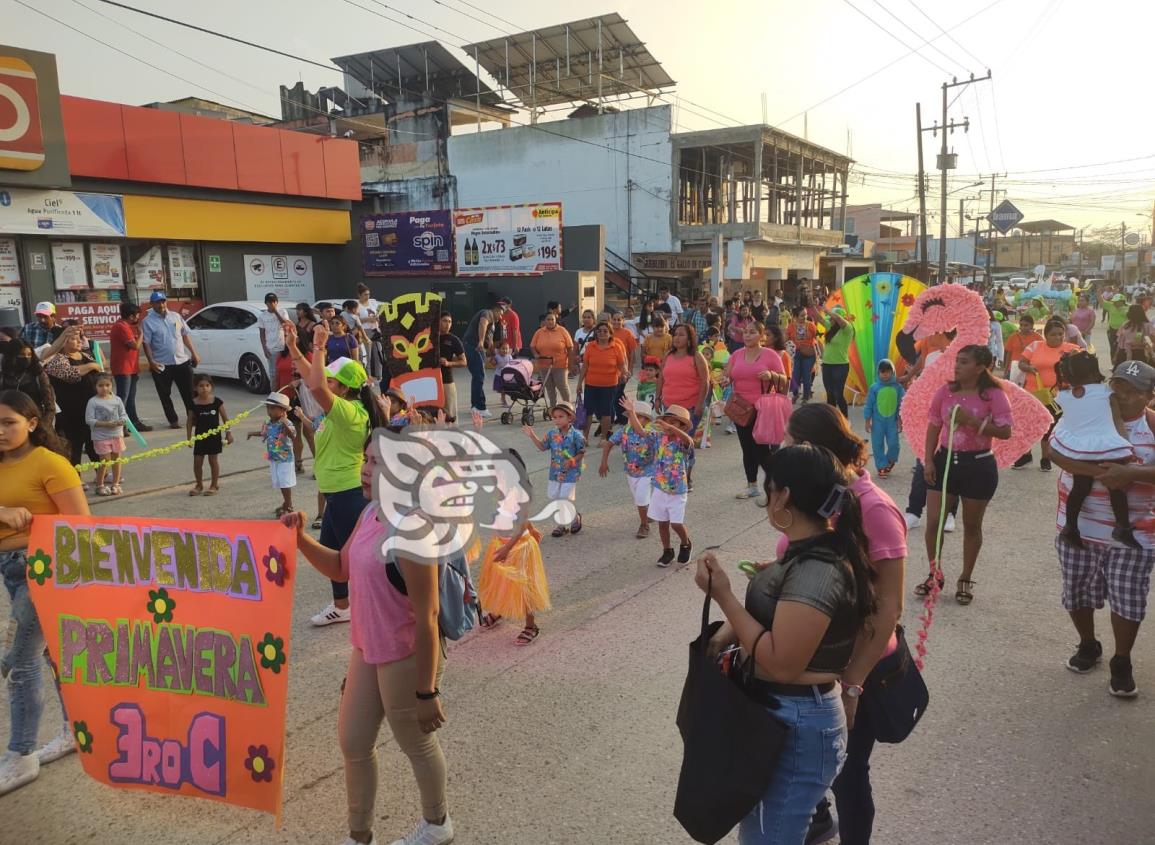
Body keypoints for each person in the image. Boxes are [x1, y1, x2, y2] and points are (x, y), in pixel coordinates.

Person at [694, 443, 878, 845]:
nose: (765, 497)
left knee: (768, 838)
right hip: (784, 713)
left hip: (798, 720)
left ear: (785, 496)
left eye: (768, 487)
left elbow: (781, 663)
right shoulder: (811, 552)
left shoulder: (816, 571)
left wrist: (724, 595)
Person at [281, 442, 454, 845]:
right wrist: (300, 538)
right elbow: (340, 567)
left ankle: (437, 824)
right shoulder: (371, 513)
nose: (364, 467)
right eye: (365, 458)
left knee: (416, 742)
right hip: (367, 649)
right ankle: (359, 837)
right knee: (354, 742)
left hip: (408, 654)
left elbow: (428, 617)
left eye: (377, 462)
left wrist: (427, 691)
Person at [781, 405, 906, 845]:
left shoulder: (874, 509)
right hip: (811, 660)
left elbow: (889, 606)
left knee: (849, 775)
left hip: (856, 668)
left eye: (790, 442)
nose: (781, 450)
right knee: (809, 760)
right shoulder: (814, 495)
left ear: (814, 449)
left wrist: (852, 684)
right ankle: (818, 818)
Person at [1043, 360, 1155, 697]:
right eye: (1118, 385)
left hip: (1135, 533)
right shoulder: (1088, 409)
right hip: (1077, 527)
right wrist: (1098, 474)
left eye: (1132, 391)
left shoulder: (1152, 425)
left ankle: (1122, 661)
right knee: (1076, 592)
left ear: (1149, 395)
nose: (1121, 395)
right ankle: (1088, 644)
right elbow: (1052, 448)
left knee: (1127, 600)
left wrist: (1131, 474)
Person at [0, 390, 90, 795]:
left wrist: (32, 521)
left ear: (33, 423)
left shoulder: (51, 464)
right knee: (53, 655)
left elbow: (80, 525)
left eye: (9, 423)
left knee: (22, 664)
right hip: (10, 571)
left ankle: (21, 756)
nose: (0, 432)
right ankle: (76, 729)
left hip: (42, 569)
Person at [289, 322, 384, 626]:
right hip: (335, 494)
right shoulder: (343, 405)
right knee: (332, 552)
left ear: (343, 388)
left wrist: (319, 346)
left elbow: (315, 386)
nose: (324, 383)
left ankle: (377, 611)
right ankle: (342, 607)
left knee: (355, 561)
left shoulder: (351, 412)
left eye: (332, 380)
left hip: (348, 495)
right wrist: (293, 346)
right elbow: (313, 379)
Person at [919, 345, 1013, 605]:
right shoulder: (945, 392)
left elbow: (1006, 432)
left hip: (979, 465)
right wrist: (928, 460)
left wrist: (973, 422)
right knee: (934, 522)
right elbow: (933, 426)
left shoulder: (993, 395)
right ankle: (934, 573)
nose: (957, 366)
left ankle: (965, 577)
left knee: (972, 526)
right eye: (956, 361)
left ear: (980, 366)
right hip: (945, 461)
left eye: (964, 362)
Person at [1050, 351, 1137, 548]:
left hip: (1078, 447)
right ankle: (1122, 527)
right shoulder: (1106, 392)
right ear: (1092, 373)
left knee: (1081, 487)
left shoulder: (1065, 396)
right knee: (1115, 485)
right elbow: (1117, 420)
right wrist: (1125, 443)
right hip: (1106, 444)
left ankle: (1070, 528)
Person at [476, 453, 550, 646]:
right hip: (500, 543)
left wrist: (509, 548)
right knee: (499, 581)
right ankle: (498, 611)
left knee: (522, 588)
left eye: (496, 469)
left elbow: (521, 523)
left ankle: (531, 625)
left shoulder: (519, 493)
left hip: (518, 547)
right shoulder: (496, 489)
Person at [623, 399, 695, 567]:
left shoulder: (681, 441)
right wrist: (632, 412)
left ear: (682, 427)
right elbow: (640, 431)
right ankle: (667, 551)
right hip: (659, 489)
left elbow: (689, 443)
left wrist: (674, 430)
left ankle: (685, 543)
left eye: (673, 422)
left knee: (676, 524)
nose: (668, 425)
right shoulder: (657, 438)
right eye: (666, 422)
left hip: (677, 490)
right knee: (663, 523)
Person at [723, 321, 788, 501]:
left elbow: (784, 380)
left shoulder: (770, 355)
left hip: (762, 408)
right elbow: (728, 374)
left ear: (761, 336)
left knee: (760, 449)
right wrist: (725, 380)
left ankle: (777, 483)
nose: (747, 335)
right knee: (746, 448)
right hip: (741, 408)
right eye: (745, 332)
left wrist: (771, 375)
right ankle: (752, 485)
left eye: (752, 332)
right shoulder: (736, 354)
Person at [1015, 317, 1081, 471]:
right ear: (1046, 335)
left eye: (1060, 334)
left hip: (1056, 397)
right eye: (1053, 334)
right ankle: (1026, 455)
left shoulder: (1071, 348)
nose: (1057, 337)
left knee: (1049, 428)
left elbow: (1085, 363)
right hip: (1033, 394)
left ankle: (1046, 458)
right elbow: (1021, 363)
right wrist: (1029, 368)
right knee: (1028, 425)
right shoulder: (1035, 346)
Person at [42, 330, 101, 482]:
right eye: (74, 339)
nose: (79, 341)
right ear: (63, 343)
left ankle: (101, 474)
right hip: (70, 410)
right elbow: (69, 374)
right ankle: (75, 477)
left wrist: (93, 363)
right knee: (73, 444)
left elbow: (101, 368)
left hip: (91, 408)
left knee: (94, 443)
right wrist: (90, 366)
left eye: (80, 338)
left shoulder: (86, 356)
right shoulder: (57, 359)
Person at [522, 401, 585, 537]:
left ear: (570, 418)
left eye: (560, 416)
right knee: (555, 498)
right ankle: (573, 517)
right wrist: (532, 436)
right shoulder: (551, 434)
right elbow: (542, 447)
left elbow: (581, 452)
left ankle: (561, 524)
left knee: (564, 498)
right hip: (555, 472)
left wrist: (572, 460)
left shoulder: (577, 436)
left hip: (571, 473)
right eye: (554, 417)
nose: (556, 419)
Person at [140, 291, 200, 430]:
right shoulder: (147, 322)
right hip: (162, 364)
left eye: (163, 301)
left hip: (181, 361)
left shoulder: (176, 317)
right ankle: (173, 420)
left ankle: (194, 418)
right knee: (165, 395)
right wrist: (151, 361)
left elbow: (184, 336)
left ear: (166, 302)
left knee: (190, 392)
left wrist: (194, 353)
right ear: (152, 304)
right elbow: (146, 343)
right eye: (157, 302)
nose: (161, 304)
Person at [599, 400, 658, 538]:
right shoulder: (624, 431)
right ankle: (648, 513)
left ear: (647, 420)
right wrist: (604, 462)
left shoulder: (651, 432)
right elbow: (609, 444)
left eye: (638, 416)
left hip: (647, 471)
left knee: (641, 498)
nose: (633, 419)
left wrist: (631, 412)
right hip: (631, 472)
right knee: (639, 498)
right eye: (631, 416)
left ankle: (644, 525)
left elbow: (640, 431)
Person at [576, 321, 628, 443]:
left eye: (605, 331)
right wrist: (579, 384)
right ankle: (585, 438)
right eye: (599, 331)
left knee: (606, 412)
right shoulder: (590, 346)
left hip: (609, 385)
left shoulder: (616, 347)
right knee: (588, 412)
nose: (602, 333)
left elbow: (621, 365)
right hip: (591, 384)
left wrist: (625, 373)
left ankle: (604, 438)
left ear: (610, 333)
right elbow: (585, 367)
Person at [247, 392, 296, 517]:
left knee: (285, 483)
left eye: (273, 408)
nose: (269, 411)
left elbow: (293, 435)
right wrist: (253, 433)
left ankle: (288, 505)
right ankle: (286, 503)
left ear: (283, 410)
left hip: (285, 458)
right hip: (274, 457)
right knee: (279, 482)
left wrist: (285, 422)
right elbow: (264, 433)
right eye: (268, 407)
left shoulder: (286, 423)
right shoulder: (268, 423)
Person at [108, 302, 152, 432]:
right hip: (123, 368)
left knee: (130, 398)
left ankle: (133, 422)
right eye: (137, 315)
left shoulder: (124, 326)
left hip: (130, 367)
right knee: (123, 398)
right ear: (132, 316)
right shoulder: (121, 326)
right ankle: (120, 426)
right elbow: (135, 346)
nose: (138, 318)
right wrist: (141, 334)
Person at [187, 373, 233, 496]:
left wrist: (228, 433)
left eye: (207, 385)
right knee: (197, 461)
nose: (204, 388)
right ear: (195, 388)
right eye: (201, 386)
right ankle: (199, 485)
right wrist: (189, 437)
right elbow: (190, 420)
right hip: (200, 437)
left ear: (211, 386)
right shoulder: (193, 403)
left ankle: (214, 484)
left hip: (214, 436)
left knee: (213, 461)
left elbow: (225, 419)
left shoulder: (216, 402)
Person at [85, 372, 127, 496]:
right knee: (104, 461)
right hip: (101, 437)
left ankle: (115, 484)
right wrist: (105, 424)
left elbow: (124, 415)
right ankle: (100, 485)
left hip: (116, 435)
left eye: (107, 385)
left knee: (117, 459)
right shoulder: (93, 402)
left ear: (111, 385)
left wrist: (121, 421)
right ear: (95, 387)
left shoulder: (117, 400)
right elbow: (89, 420)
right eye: (101, 385)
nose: (104, 388)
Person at [864, 359, 905, 478]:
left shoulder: (898, 388)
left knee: (894, 444)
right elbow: (869, 405)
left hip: (892, 422)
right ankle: (881, 466)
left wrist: (900, 420)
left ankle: (890, 460)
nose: (885, 374)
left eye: (888, 371)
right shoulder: (874, 388)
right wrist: (867, 420)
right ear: (878, 373)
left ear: (893, 372)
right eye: (882, 372)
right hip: (877, 422)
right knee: (877, 444)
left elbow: (901, 405)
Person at [0, 340, 54, 427]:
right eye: (21, 355)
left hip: (34, 424)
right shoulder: (3, 376)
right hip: (8, 424)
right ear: (12, 356)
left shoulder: (38, 374)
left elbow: (50, 407)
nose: (26, 358)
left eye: (29, 355)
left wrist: (43, 427)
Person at [530, 312, 573, 409]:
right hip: (544, 366)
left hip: (560, 365)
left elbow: (570, 347)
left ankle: (568, 407)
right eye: (548, 320)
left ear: (555, 320)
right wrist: (536, 354)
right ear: (544, 321)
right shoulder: (539, 332)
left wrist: (570, 363)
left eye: (552, 319)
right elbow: (532, 346)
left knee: (562, 387)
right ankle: (553, 409)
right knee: (550, 389)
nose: (550, 322)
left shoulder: (562, 331)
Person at [461, 307, 496, 418]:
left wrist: (493, 355)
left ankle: (475, 406)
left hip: (477, 348)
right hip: (474, 346)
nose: (501, 316)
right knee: (479, 375)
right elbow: (482, 323)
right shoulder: (488, 313)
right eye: (501, 312)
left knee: (477, 376)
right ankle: (480, 407)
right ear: (496, 310)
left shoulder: (494, 322)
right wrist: (480, 341)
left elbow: (490, 341)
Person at [820, 305, 854, 416]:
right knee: (830, 394)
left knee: (838, 394)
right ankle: (832, 419)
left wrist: (828, 311)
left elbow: (839, 319)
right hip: (826, 365)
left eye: (832, 317)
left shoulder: (847, 329)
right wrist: (812, 306)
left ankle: (845, 419)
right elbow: (818, 318)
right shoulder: (830, 327)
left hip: (840, 366)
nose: (830, 319)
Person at [436, 313, 466, 423]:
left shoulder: (454, 340)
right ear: (438, 321)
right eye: (444, 321)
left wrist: (449, 363)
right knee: (433, 412)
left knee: (450, 413)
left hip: (447, 381)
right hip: (430, 382)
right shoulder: (428, 337)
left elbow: (464, 362)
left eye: (450, 321)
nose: (447, 324)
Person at [789, 306, 821, 404]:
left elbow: (817, 339)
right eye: (802, 315)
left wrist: (819, 351)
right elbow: (785, 338)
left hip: (809, 353)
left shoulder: (811, 325)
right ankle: (795, 394)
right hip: (797, 354)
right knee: (795, 375)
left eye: (806, 314)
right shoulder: (791, 326)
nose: (805, 317)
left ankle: (806, 397)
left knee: (807, 376)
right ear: (795, 317)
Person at [257, 293, 291, 381]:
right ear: (266, 303)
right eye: (269, 302)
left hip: (283, 347)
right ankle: (274, 392)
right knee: (273, 372)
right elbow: (262, 333)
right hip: (271, 348)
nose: (272, 304)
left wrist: (276, 311)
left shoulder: (282, 312)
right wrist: (264, 349)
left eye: (273, 302)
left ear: (277, 302)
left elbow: (285, 323)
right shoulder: (262, 316)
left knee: (284, 370)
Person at [1002, 314, 1043, 382]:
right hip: (1013, 369)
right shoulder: (1013, 337)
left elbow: (1042, 353)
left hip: (1030, 369)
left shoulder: (1038, 337)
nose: (1023, 327)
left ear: (1032, 325)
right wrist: (1006, 370)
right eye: (1021, 325)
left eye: (1026, 325)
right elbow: (1008, 353)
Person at [1103, 293, 1130, 363]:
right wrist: (1098, 293)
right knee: (1113, 347)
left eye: (1117, 301)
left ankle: (1123, 362)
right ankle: (1114, 363)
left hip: (1124, 331)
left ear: (1122, 301)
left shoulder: (1129, 307)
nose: (1115, 303)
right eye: (1114, 301)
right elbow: (1102, 302)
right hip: (1112, 330)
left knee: (1122, 347)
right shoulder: (1111, 305)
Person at [571, 309, 597, 374]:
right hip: (582, 363)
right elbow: (575, 349)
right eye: (584, 317)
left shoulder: (597, 331)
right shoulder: (578, 331)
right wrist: (574, 363)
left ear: (593, 319)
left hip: (595, 362)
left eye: (589, 317)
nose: (586, 319)